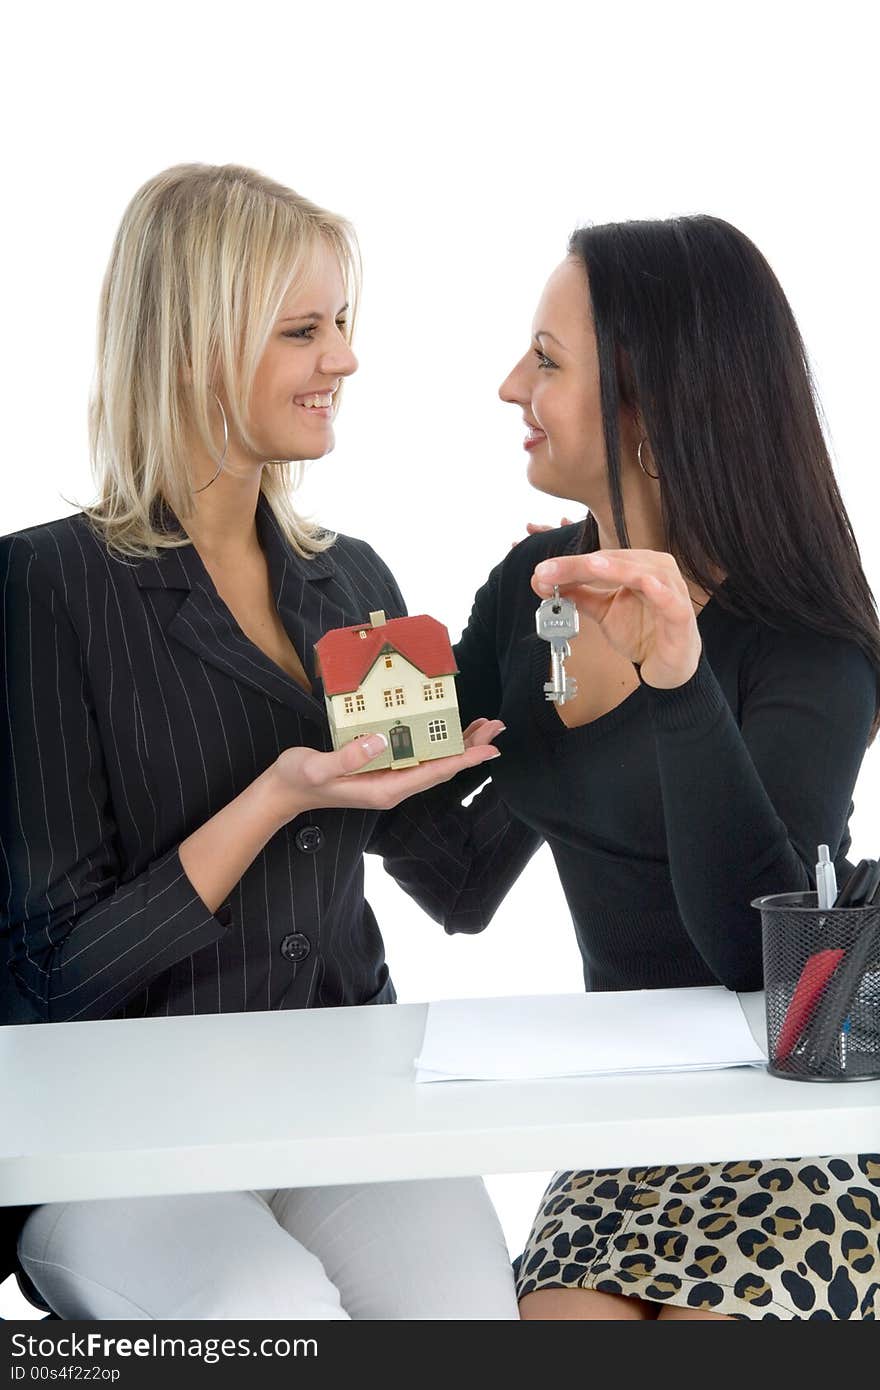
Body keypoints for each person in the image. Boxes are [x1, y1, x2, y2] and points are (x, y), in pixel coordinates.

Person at [0, 162, 518, 1320]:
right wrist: (278, 794)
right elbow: (49, 973)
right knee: (277, 1318)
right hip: (115, 1142)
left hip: (337, 1102)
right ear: (190, 345)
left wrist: (561, 703)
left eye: (342, 323)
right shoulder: (43, 585)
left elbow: (460, 881)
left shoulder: (351, 581)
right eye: (303, 330)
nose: (343, 358)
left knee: (471, 1322)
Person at [370, 215, 880, 1320]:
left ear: (647, 406)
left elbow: (762, 967)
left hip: (798, 1135)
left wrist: (677, 681)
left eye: (547, 362)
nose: (512, 385)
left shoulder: (810, 642)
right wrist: (351, 747)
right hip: (625, 1134)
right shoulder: (532, 593)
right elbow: (456, 876)